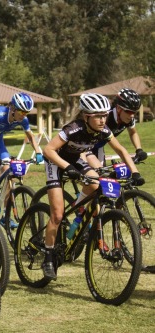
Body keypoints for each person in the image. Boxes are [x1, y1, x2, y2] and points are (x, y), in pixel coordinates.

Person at [41, 93, 144, 280]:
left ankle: (79, 209)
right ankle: (48, 257)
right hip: (55, 162)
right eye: (98, 116)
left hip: (74, 160)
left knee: (97, 183)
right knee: (57, 214)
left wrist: (135, 172)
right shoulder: (73, 128)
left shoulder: (104, 131)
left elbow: (120, 150)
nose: (102, 120)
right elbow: (48, 150)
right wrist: (68, 168)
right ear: (86, 116)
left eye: (104, 115)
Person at [0, 92, 43, 224]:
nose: (23, 115)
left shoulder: (22, 119)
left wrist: (38, 151)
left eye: (26, 113)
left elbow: (30, 136)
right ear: (12, 108)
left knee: (10, 175)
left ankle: (6, 215)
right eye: (21, 112)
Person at [86, 88, 147, 167]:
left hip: (98, 147)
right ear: (118, 108)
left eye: (134, 112)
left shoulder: (128, 118)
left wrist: (139, 149)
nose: (132, 115)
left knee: (102, 175)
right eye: (128, 111)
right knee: (95, 174)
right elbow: (117, 147)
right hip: (84, 146)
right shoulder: (106, 117)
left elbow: (133, 133)